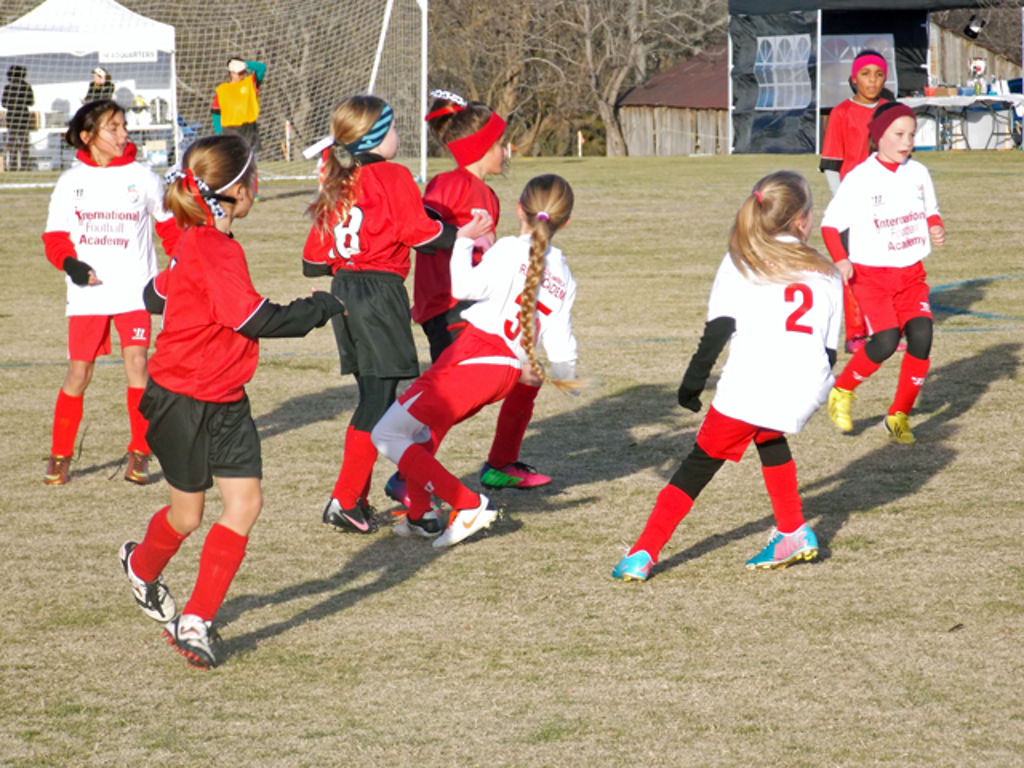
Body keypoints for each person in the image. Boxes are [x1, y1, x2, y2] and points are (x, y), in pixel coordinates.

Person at [118, 134, 345, 669]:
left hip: (226, 399)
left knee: (245, 505)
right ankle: (141, 566)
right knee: (187, 515)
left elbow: (159, 293)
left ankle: (195, 619)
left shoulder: (198, 241)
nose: (258, 185)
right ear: (236, 190)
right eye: (255, 176)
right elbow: (255, 319)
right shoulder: (215, 247)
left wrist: (168, 292)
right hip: (179, 401)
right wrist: (321, 306)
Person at [612, 171, 842, 581]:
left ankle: (643, 552)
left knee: (698, 465)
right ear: (802, 221)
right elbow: (828, 350)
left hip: (752, 385)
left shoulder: (741, 258)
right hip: (807, 385)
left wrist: (693, 382)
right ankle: (792, 529)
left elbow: (718, 329)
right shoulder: (827, 271)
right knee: (769, 435)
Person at [302, 95, 491, 535]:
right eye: (392, 130)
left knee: (374, 396)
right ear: (375, 137)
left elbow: (314, 260)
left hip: (344, 290)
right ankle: (344, 500)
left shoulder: (341, 177)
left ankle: (353, 499)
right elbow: (419, 233)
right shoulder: (392, 173)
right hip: (378, 293)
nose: (398, 138)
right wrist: (460, 236)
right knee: (379, 402)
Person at [372, 173, 580, 548]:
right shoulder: (564, 274)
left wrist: (464, 240)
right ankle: (421, 516)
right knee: (416, 433)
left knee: (385, 434)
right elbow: (561, 344)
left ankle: (469, 505)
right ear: (566, 221)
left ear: (518, 210)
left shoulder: (508, 251)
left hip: (476, 354)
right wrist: (567, 376)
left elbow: (463, 288)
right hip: (505, 369)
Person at [41, 99, 181, 486]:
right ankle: (60, 455)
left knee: (137, 363)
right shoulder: (71, 182)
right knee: (78, 372)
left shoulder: (144, 177)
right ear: (88, 137)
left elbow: (171, 229)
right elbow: (54, 238)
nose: (124, 134)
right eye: (113, 128)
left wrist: (178, 265)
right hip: (88, 294)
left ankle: (140, 451)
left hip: (135, 292)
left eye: (123, 126)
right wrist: (71, 265)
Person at [823, 102, 945, 446]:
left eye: (911, 135)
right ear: (878, 137)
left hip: (911, 275)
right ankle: (842, 390)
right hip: (871, 276)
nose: (907, 142)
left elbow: (930, 211)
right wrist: (841, 259)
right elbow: (830, 225)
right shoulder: (860, 177)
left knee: (922, 337)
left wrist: (935, 227)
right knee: (887, 341)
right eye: (899, 134)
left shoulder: (918, 172)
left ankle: (898, 416)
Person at [820, 49, 890, 354]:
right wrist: (843, 203)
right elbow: (831, 164)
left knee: (885, 268)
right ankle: (856, 333)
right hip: (853, 206)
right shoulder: (842, 113)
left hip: (885, 205)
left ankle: (885, 329)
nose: (872, 81)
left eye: (878, 75)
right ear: (853, 78)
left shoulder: (890, 109)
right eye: (865, 74)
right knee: (855, 270)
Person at [212, 58, 266, 154]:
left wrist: (245, 64)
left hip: (248, 128)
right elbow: (216, 111)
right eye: (237, 73)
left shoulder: (250, 83)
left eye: (242, 72)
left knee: (250, 157)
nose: (241, 75)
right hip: (229, 129)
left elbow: (262, 68)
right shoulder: (222, 89)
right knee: (234, 158)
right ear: (231, 73)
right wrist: (218, 131)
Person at [3, 65, 34, 172]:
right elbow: (31, 102)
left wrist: (13, 103)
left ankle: (13, 166)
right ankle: (25, 166)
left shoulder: (8, 88)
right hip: (23, 117)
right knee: (24, 143)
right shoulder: (26, 87)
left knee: (13, 144)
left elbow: (4, 103)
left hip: (12, 117)